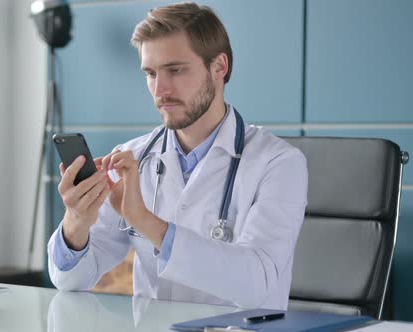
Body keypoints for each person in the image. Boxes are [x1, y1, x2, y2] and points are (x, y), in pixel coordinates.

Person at [47, 2, 308, 310]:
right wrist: (77, 220)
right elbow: (72, 280)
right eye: (150, 73)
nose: (160, 89)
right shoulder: (132, 159)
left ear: (219, 67)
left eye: (175, 70)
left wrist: (145, 221)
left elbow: (258, 282)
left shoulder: (279, 163)